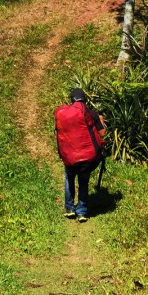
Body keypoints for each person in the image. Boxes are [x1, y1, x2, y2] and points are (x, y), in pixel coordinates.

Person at [55, 88, 106, 222]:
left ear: (71, 100)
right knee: (83, 181)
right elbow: (102, 134)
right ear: (85, 99)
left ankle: (70, 208)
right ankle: (82, 212)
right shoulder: (91, 113)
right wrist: (101, 121)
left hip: (70, 156)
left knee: (69, 178)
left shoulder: (65, 114)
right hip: (87, 157)